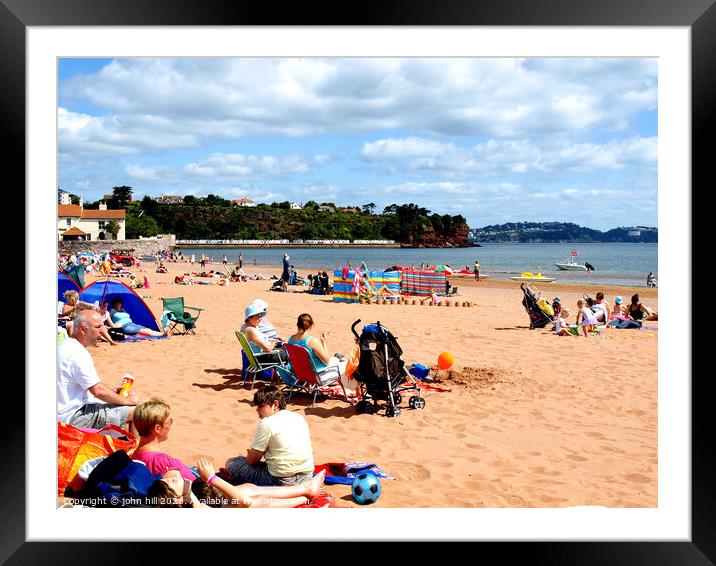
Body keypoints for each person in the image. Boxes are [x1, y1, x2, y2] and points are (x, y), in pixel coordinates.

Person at [57, 310, 139, 432]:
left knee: (122, 413)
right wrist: (127, 401)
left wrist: (114, 394)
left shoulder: (65, 346)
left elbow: (87, 387)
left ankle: (124, 448)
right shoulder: (77, 353)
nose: (103, 330)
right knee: (138, 412)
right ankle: (139, 451)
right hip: (73, 417)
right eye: (98, 327)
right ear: (83, 329)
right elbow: (98, 391)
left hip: (63, 412)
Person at [224, 386, 316, 487]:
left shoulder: (267, 423)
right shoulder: (299, 417)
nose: (257, 410)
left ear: (275, 404)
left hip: (280, 480)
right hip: (307, 476)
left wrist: (252, 453)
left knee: (232, 463)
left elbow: (252, 461)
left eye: (261, 406)